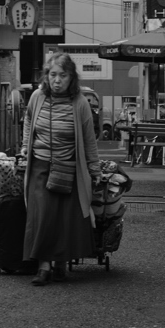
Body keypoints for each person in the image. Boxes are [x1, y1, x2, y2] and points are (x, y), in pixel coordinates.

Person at [20, 52, 101, 286]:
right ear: (47, 76)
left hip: (69, 168)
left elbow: (89, 140)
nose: (57, 80)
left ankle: (61, 264)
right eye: (53, 75)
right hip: (40, 165)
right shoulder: (37, 97)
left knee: (64, 219)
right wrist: (26, 146)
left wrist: (95, 170)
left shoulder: (80, 103)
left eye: (62, 75)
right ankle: (43, 267)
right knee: (42, 215)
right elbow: (28, 120)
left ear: (71, 78)